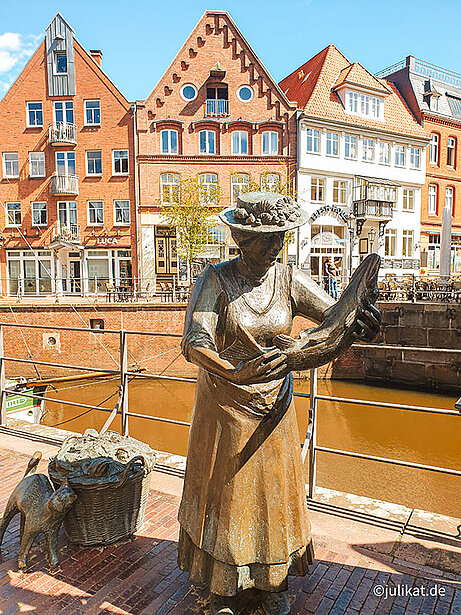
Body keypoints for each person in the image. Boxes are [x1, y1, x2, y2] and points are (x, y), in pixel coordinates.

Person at [178, 192, 380, 615]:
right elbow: (194, 342)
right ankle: (223, 584)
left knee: (273, 496)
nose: (275, 248)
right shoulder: (215, 280)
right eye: (265, 240)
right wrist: (231, 372)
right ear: (240, 238)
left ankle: (270, 582)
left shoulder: (287, 279)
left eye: (281, 239)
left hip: (275, 410)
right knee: (227, 494)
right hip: (225, 407)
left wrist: (360, 319)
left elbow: (334, 316)